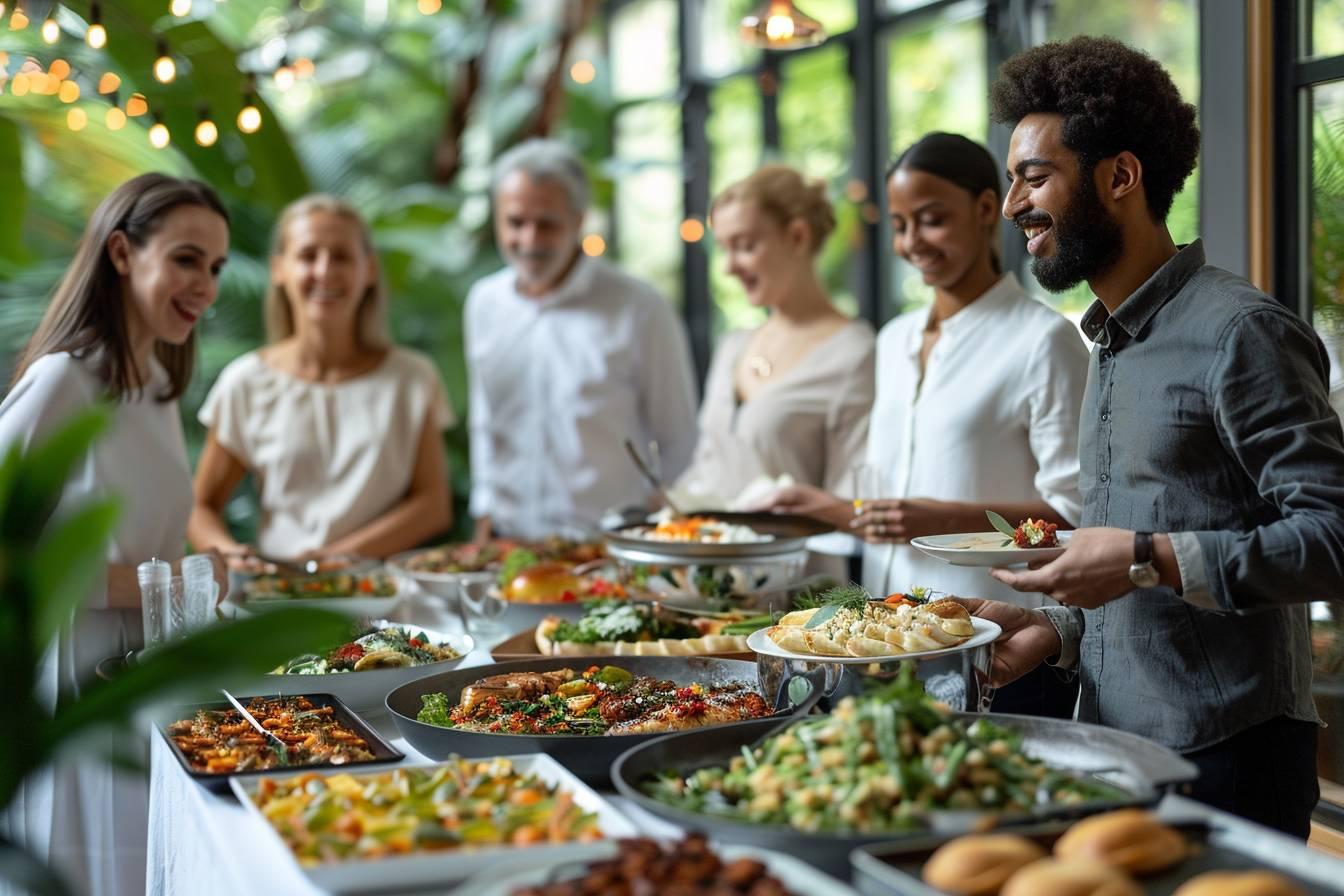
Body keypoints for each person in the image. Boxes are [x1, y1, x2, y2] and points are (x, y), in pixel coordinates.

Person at [965, 35, 1344, 836]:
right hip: (1115, 744)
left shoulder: (1241, 332)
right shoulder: (1108, 341)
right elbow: (1140, 566)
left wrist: (1148, 556)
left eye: (1035, 176)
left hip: (1229, 758)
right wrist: (1054, 630)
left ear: (1120, 177)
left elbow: (1334, 537)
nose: (1011, 204)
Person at [763, 134, 1088, 718]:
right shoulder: (893, 341)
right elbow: (896, 495)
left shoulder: (1043, 341)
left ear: (986, 209)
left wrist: (944, 520)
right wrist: (829, 509)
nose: (912, 242)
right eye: (899, 225)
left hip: (994, 645)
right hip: (882, 645)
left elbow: (1075, 515)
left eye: (932, 219)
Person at [0, 173, 231, 896]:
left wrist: (197, 575)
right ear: (123, 253)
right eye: (187, 259)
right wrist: (156, 584)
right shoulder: (64, 382)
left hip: (143, 682)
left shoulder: (156, 384)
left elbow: (149, 536)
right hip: (75, 691)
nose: (207, 286)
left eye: (216, 267)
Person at [188, 195, 455, 564]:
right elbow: (199, 507)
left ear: (369, 270)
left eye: (341, 256)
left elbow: (433, 506)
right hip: (280, 590)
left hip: (384, 589)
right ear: (279, 269)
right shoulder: (246, 382)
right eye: (308, 255)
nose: (325, 270)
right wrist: (232, 556)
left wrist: (335, 559)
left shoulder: (411, 378)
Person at [465, 139, 698, 540]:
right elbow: (484, 419)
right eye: (515, 222)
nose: (529, 240)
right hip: (510, 542)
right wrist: (484, 512)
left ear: (578, 221)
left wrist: (659, 533)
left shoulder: (640, 307)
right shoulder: (483, 303)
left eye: (547, 224)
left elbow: (679, 438)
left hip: (610, 542)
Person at [675, 165, 875, 524]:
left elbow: (855, 503)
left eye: (744, 246)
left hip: (802, 561)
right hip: (708, 556)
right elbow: (706, 472)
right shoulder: (733, 347)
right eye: (724, 249)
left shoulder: (856, 354)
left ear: (797, 237)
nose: (728, 267)